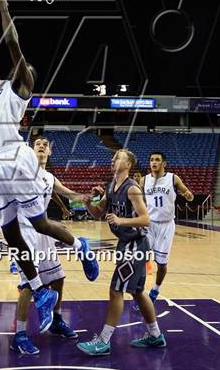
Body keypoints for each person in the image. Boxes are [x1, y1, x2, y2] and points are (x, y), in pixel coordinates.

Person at [0, 0, 99, 334]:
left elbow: (14, 48)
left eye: (20, 69)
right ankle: (42, 294)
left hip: (14, 159)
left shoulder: (20, 86)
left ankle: (80, 244)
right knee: (12, 235)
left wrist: (3, 10)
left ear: (25, 79)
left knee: (40, 224)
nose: (16, 69)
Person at [77, 149, 166, 355]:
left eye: (118, 157)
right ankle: (155, 335)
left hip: (136, 245)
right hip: (126, 244)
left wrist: (121, 220)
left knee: (116, 290)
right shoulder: (110, 186)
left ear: (128, 165)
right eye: (113, 157)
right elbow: (99, 213)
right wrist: (89, 204)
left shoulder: (132, 188)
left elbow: (146, 219)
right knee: (136, 292)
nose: (113, 159)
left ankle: (104, 341)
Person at [11, 136, 85, 354]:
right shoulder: (23, 171)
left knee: (58, 278)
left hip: (43, 232)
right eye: (37, 144)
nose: (41, 146)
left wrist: (88, 198)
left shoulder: (49, 177)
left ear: (50, 152)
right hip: (24, 232)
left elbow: (69, 194)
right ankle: (20, 335)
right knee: (27, 284)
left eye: (45, 144)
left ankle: (57, 320)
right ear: (31, 151)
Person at [140, 151, 194, 303]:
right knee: (141, 257)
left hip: (166, 225)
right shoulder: (144, 180)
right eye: (151, 160)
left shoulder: (172, 178)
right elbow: (136, 198)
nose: (154, 162)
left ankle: (156, 289)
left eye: (157, 160)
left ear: (164, 164)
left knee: (161, 264)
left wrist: (188, 195)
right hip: (149, 224)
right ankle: (140, 291)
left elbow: (187, 193)